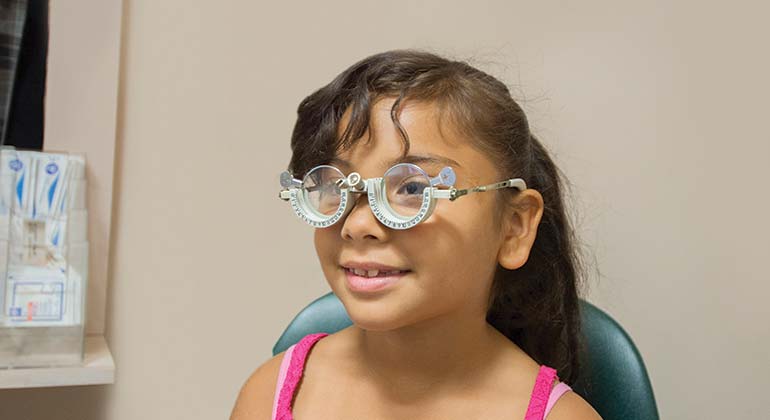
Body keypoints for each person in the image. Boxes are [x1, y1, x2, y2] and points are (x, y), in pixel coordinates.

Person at [231, 50, 602, 420]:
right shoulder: (271, 393)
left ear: (514, 227)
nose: (357, 225)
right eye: (336, 185)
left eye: (412, 189)